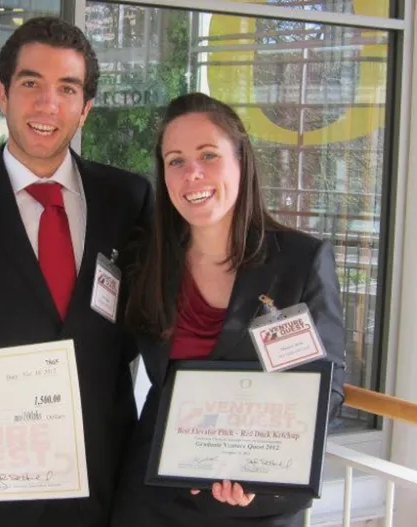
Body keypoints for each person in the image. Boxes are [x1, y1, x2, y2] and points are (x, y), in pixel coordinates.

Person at [0, 16, 153, 527]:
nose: (47, 104)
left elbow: (148, 326)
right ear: (3, 94)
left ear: (85, 108)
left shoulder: (129, 199)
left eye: (67, 89)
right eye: (31, 84)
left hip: (105, 478)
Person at [109, 93, 347, 527]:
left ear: (241, 161)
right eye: (176, 160)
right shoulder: (146, 262)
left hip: (256, 500)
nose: (192, 173)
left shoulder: (299, 261)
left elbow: (325, 386)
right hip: (156, 497)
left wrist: (260, 468)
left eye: (208, 155)